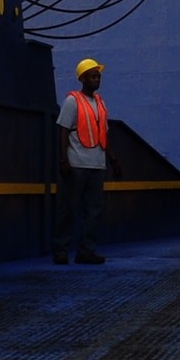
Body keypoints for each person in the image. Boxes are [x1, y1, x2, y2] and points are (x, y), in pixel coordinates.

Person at [54, 56, 110, 264]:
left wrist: (112, 159)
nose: (97, 80)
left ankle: (86, 252)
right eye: (93, 76)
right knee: (67, 208)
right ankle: (60, 250)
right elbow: (63, 130)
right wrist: (63, 160)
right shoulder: (72, 102)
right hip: (76, 164)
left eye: (98, 76)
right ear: (83, 79)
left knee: (94, 211)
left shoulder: (100, 103)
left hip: (97, 165)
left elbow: (104, 134)